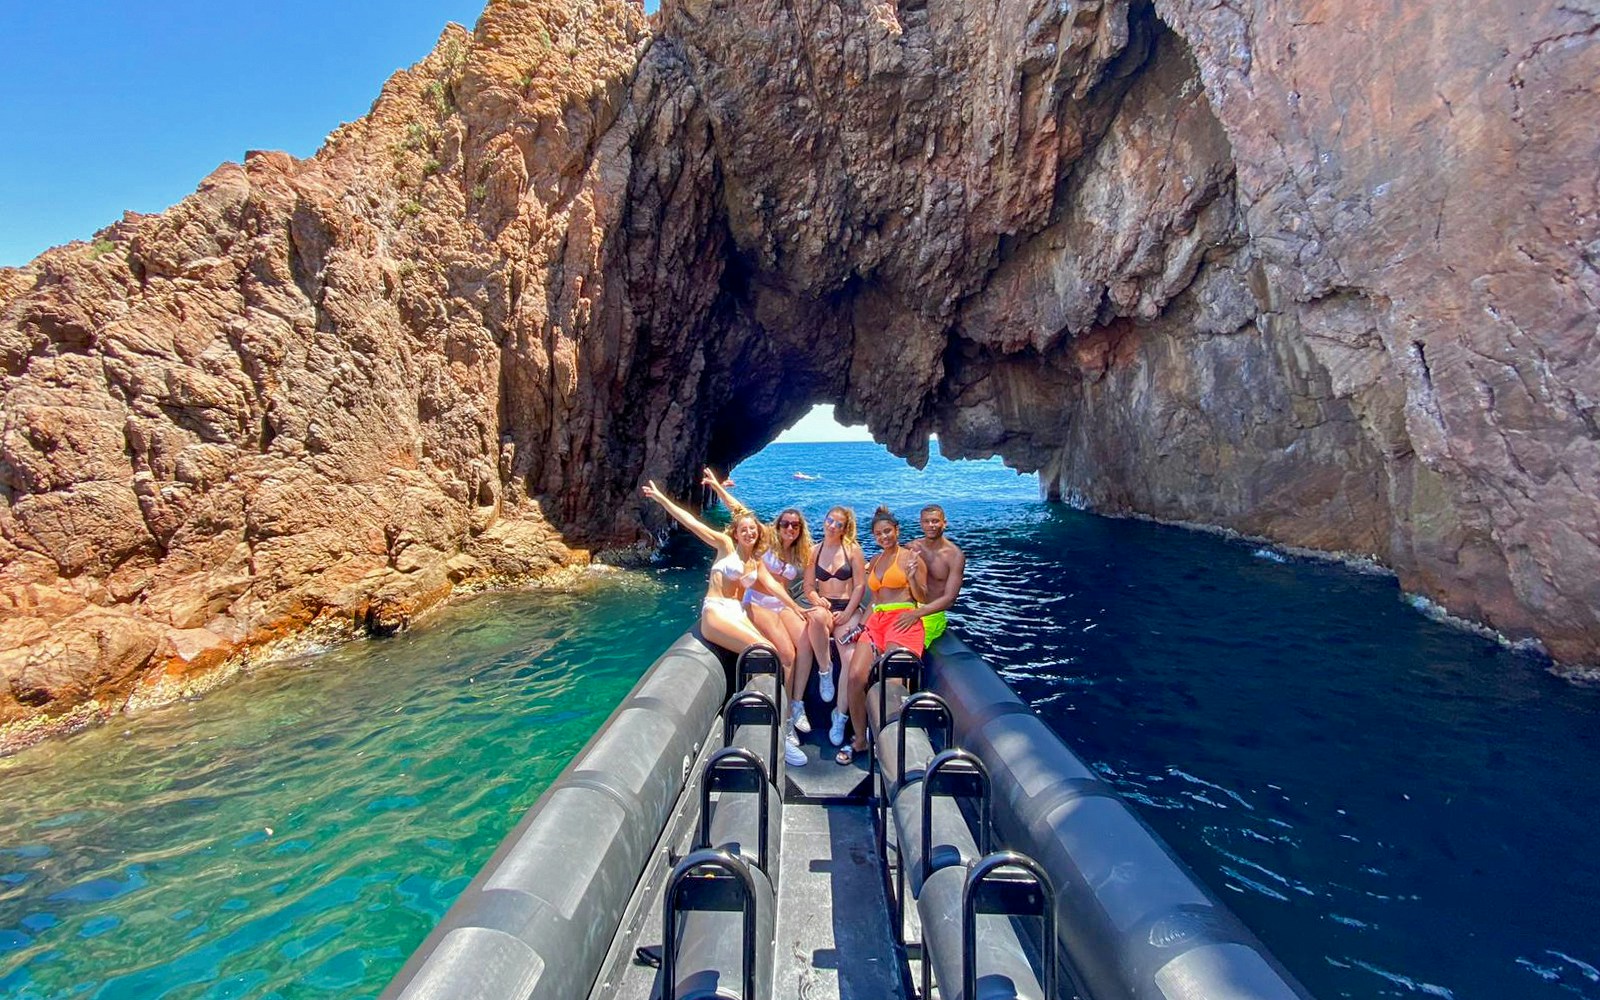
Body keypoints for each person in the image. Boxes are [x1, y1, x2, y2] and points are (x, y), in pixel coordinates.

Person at [642, 479, 809, 766]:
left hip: (737, 611)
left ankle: (781, 725)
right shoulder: (725, 545)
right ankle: (779, 734)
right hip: (716, 611)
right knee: (766, 652)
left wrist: (797, 608)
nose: (748, 532)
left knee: (776, 654)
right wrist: (662, 499)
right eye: (744, 529)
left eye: (753, 530)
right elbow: (692, 522)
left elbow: (776, 588)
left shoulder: (755, 562)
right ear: (736, 531)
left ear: (758, 535)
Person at [699, 469, 828, 746]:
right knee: (788, 655)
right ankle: (786, 721)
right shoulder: (765, 540)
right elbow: (739, 512)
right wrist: (716, 487)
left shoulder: (803, 552)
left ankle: (796, 703)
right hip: (758, 604)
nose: (790, 529)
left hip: (781, 604)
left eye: (795, 526)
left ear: (801, 529)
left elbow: (810, 581)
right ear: (777, 526)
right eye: (785, 524)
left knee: (805, 641)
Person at [833, 506, 926, 765]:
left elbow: (922, 597)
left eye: (887, 531)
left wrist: (912, 578)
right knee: (854, 677)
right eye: (878, 533)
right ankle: (861, 739)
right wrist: (860, 627)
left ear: (897, 530)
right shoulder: (874, 561)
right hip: (877, 622)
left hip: (904, 618)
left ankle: (888, 742)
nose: (884, 537)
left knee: (892, 684)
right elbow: (874, 600)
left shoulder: (911, 558)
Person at [803, 505, 868, 709]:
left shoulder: (852, 551)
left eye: (838, 524)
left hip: (847, 607)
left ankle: (840, 713)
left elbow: (859, 585)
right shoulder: (814, 551)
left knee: (849, 657)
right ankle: (825, 668)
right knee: (816, 617)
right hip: (825, 605)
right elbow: (808, 585)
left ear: (844, 529)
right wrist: (815, 598)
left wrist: (848, 611)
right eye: (830, 521)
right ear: (824, 521)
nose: (832, 526)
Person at [907, 504, 965, 646]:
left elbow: (950, 599)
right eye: (926, 521)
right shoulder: (912, 547)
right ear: (921, 524)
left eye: (935, 521)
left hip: (931, 614)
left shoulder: (954, 556)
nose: (931, 525)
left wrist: (917, 613)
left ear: (944, 523)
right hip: (908, 608)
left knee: (907, 647)